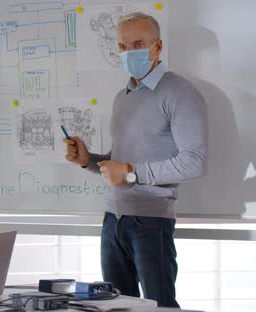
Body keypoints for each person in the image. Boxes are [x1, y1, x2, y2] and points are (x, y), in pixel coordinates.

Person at [62, 13, 208, 307]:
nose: (129, 53)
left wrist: (130, 173)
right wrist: (87, 159)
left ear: (157, 47)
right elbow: (119, 164)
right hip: (112, 221)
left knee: (159, 306)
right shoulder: (123, 96)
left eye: (138, 44)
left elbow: (195, 161)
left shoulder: (179, 92)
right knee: (116, 307)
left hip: (151, 222)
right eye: (122, 46)